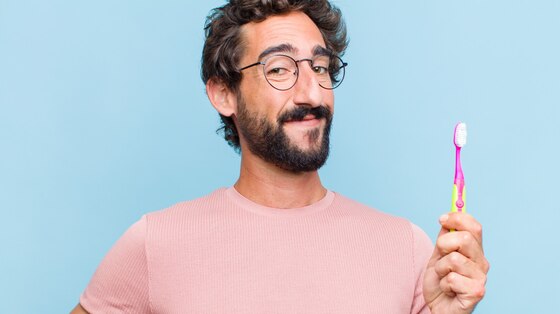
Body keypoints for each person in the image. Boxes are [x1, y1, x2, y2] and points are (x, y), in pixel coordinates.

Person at [72, 0, 489, 313]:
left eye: (321, 68)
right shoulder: (153, 244)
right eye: (279, 69)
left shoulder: (407, 249)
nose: (311, 94)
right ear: (224, 93)